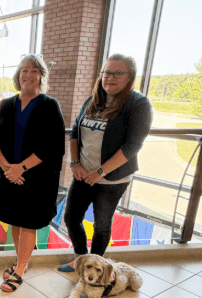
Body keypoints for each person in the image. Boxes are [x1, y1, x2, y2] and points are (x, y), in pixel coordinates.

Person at [58, 54, 153, 272]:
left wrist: (100, 172)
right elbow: (74, 133)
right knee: (71, 218)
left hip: (112, 179)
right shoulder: (92, 101)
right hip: (83, 175)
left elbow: (132, 146)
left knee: (101, 226)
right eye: (107, 72)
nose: (110, 77)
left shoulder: (138, 104)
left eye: (118, 73)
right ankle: (82, 259)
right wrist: (75, 163)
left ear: (129, 77)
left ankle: (96, 266)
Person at [0, 55, 65, 292]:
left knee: (29, 222)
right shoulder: (4, 105)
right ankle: (21, 261)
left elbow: (52, 145)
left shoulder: (50, 105)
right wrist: (7, 168)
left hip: (36, 178)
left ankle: (20, 268)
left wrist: (20, 168)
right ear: (17, 75)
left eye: (33, 71)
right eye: (23, 70)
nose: (28, 75)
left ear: (41, 75)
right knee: (15, 220)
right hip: (8, 175)